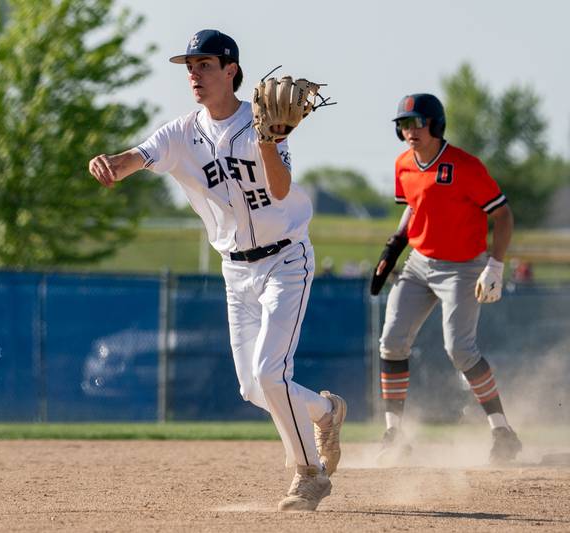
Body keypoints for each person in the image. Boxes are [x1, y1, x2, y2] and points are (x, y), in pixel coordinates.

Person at [88, 29, 346, 511]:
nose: (193, 74)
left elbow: (282, 190)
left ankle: (309, 473)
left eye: (204, 64)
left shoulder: (263, 121)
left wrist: (272, 141)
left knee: (272, 373)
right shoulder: (181, 133)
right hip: (236, 270)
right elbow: (137, 158)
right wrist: (109, 165)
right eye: (190, 66)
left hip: (286, 259)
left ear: (231, 71)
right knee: (253, 388)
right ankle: (326, 411)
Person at [372, 93, 521, 464]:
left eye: (417, 122)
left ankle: (503, 431)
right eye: (403, 124)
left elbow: (502, 215)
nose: (410, 131)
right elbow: (412, 208)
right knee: (391, 341)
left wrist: (495, 265)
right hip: (420, 262)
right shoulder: (403, 164)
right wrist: (393, 247)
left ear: (436, 125)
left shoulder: (466, 166)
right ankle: (395, 434)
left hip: (464, 266)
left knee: (460, 350)